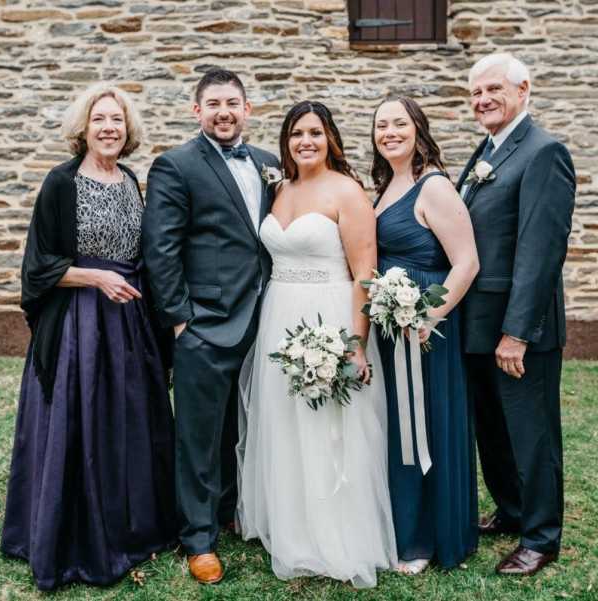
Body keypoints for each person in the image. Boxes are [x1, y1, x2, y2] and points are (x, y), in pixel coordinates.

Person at [1, 83, 177, 591]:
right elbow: (38, 267)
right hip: (80, 323)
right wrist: (94, 277)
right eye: (99, 119)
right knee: (84, 422)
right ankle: (76, 535)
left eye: (117, 121)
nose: (108, 128)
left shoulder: (129, 179)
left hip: (129, 320)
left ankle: (132, 526)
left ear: (128, 130)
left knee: (130, 421)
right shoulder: (61, 183)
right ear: (82, 127)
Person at [236, 100, 397, 588]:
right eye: (296, 134)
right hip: (278, 314)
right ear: (285, 142)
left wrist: (356, 344)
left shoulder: (347, 192)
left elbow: (365, 271)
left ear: (330, 139)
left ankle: (338, 535)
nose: (305, 142)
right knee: (284, 422)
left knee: (330, 428)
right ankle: (291, 526)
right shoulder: (280, 189)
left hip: (328, 315)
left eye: (315, 133)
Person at [142, 68, 280, 585]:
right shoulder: (175, 165)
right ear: (196, 111)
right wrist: (181, 321)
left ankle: (232, 510)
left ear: (247, 110)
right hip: (204, 324)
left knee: (245, 426)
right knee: (199, 437)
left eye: (233, 103)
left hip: (265, 321)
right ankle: (198, 539)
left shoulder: (269, 163)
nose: (224, 112)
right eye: (214, 103)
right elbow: (161, 249)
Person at [457, 52, 576, 576]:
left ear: (524, 88)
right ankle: (511, 510)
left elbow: (540, 250)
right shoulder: (486, 150)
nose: (483, 100)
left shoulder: (544, 152)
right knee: (494, 430)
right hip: (477, 323)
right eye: (476, 93)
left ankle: (542, 536)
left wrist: (517, 333)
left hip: (518, 328)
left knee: (532, 433)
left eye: (493, 89)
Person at [371, 97, 480, 575]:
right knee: (398, 427)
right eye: (381, 125)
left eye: (399, 123)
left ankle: (427, 539)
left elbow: (467, 263)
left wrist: (427, 317)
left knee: (425, 426)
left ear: (418, 129)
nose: (390, 132)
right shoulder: (385, 185)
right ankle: (403, 526)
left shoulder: (432, 186)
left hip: (425, 333)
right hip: (391, 327)